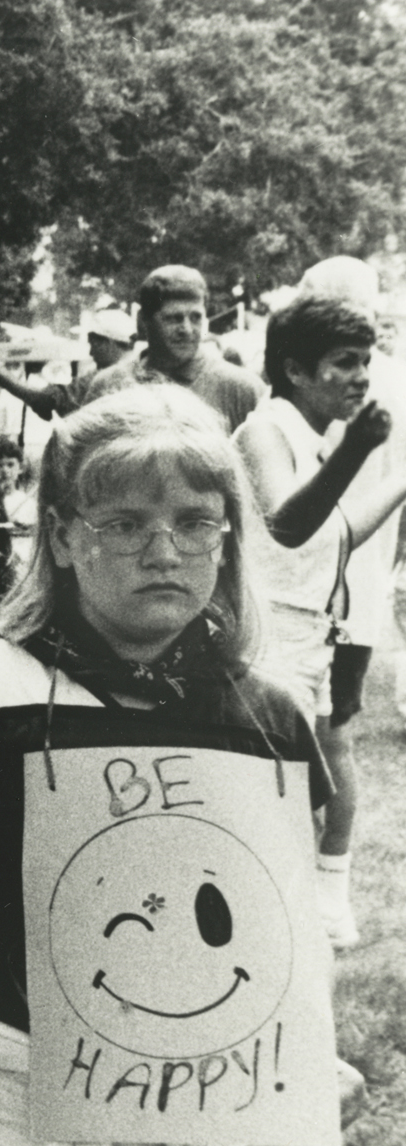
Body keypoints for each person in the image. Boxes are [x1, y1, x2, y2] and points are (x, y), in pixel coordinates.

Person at [0, 387, 332, 1146]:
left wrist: (307, 1045)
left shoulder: (268, 716)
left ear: (228, 538)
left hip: (191, 1119)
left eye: (195, 522)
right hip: (4, 1111)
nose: (164, 551)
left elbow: (282, 926)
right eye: (124, 524)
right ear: (63, 535)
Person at [234, 293, 406, 947]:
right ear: (295, 370)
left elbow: (336, 535)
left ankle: (300, 933)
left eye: (366, 361)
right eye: (344, 362)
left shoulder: (310, 441)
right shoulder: (265, 432)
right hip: (267, 649)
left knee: (301, 800)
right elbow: (287, 524)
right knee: (273, 814)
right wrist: (358, 450)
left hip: (309, 643)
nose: (361, 376)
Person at [89, 265, 263, 432]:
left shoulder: (241, 390)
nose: (186, 329)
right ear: (144, 321)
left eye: (195, 318)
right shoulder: (109, 386)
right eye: (174, 318)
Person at [0, 308, 136, 419]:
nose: (90, 353)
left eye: (93, 345)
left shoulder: (105, 377)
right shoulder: (142, 370)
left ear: (108, 343)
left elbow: (45, 400)